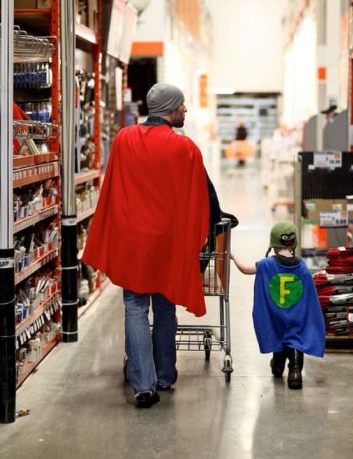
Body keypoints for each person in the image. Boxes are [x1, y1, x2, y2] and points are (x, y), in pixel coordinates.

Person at [83, 83, 222, 408]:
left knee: (134, 307)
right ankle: (163, 375)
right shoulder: (184, 148)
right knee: (164, 307)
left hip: (133, 241)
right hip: (168, 243)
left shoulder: (123, 139)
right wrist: (201, 238)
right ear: (170, 109)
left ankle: (142, 385)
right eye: (182, 105)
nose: (186, 110)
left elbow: (113, 189)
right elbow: (200, 200)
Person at [231, 221, 325, 389]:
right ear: (293, 244)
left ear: (273, 245)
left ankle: (277, 365)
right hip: (296, 315)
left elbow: (245, 269)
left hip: (275, 314)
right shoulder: (302, 267)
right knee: (295, 338)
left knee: (278, 335)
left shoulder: (266, 264)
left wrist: (233, 257)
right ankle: (295, 372)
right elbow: (309, 295)